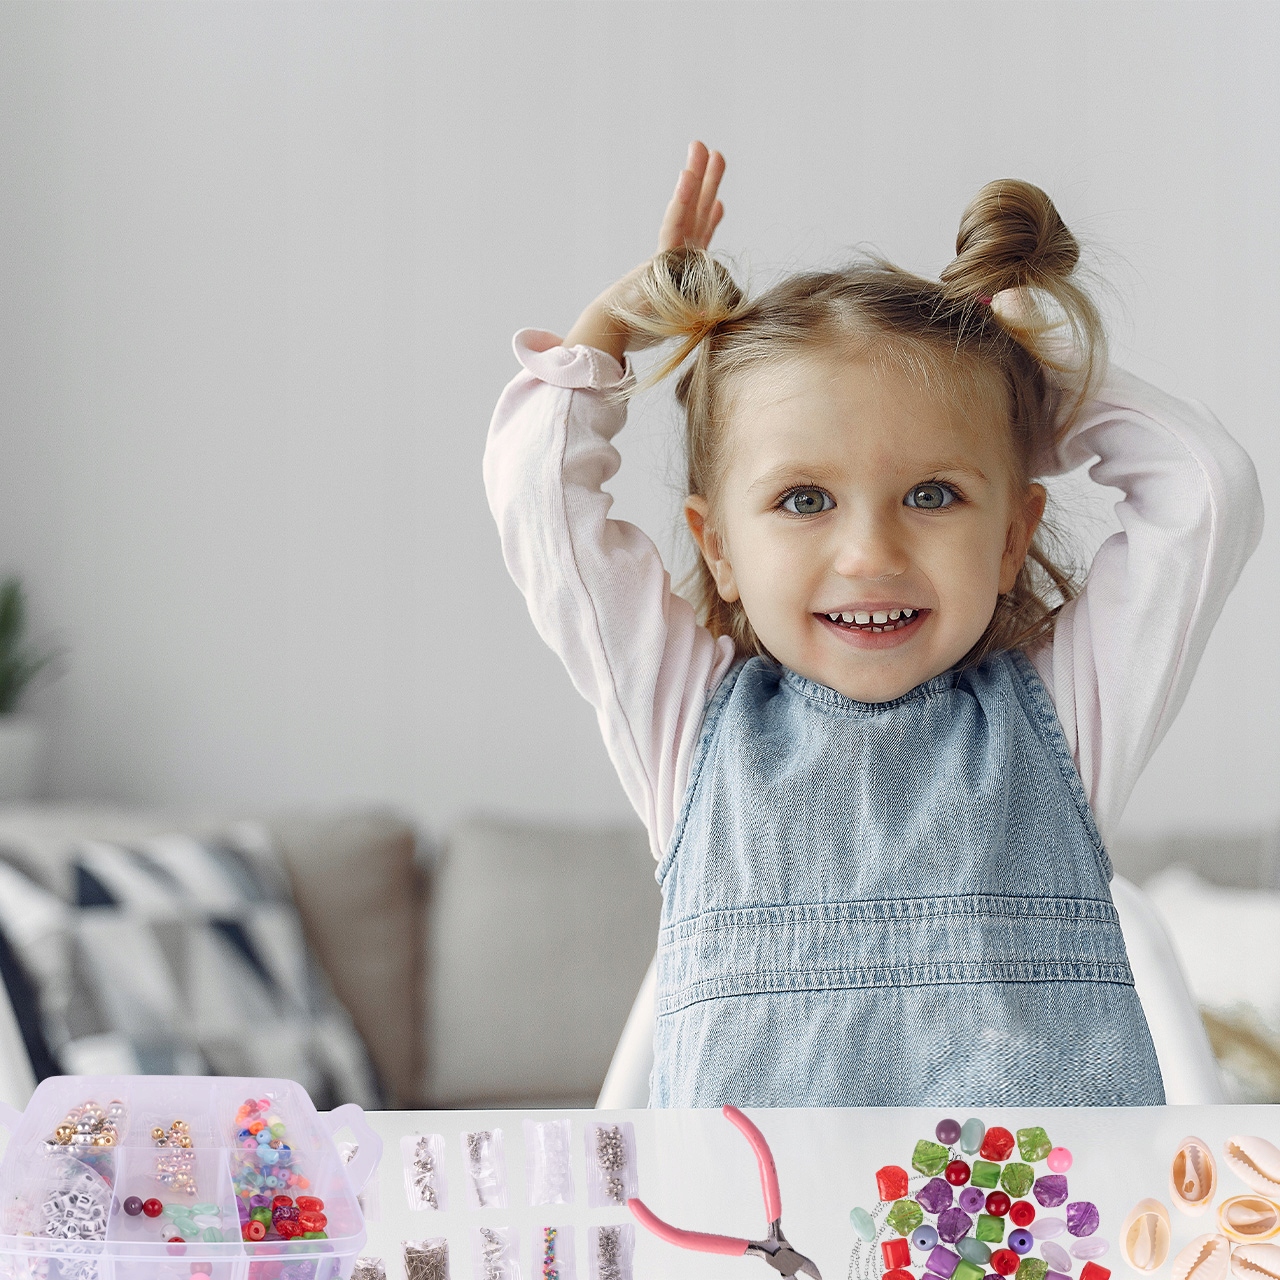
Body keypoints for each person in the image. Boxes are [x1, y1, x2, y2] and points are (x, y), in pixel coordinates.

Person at [483, 142, 1263, 1106]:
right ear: (718, 547)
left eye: (933, 492)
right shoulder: (683, 725)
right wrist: (603, 334)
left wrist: (1044, 387)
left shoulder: (1067, 718)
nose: (871, 556)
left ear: (1013, 535)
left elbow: (1206, 494)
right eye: (805, 500)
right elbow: (538, 500)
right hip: (757, 1251)